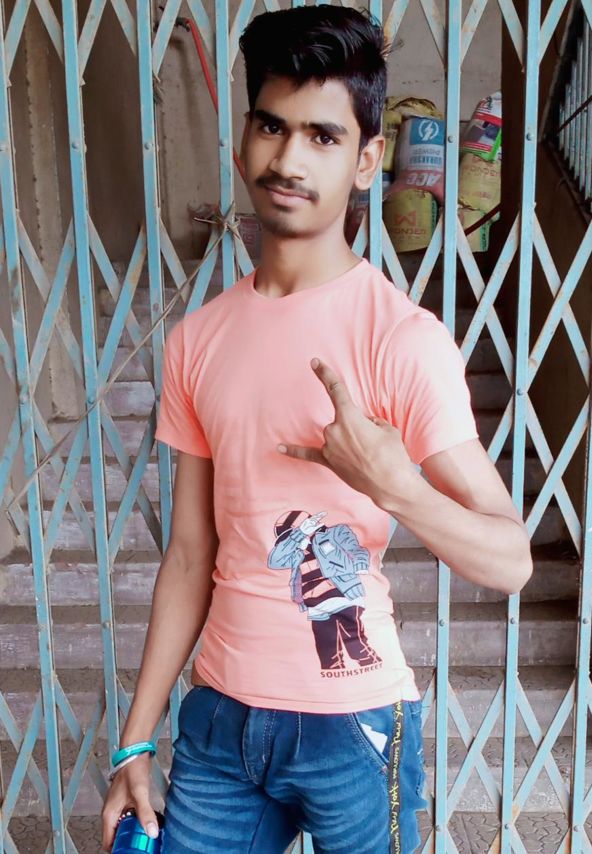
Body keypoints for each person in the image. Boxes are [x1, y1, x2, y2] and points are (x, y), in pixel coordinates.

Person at [101, 6, 532, 852]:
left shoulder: (402, 340)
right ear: (243, 142)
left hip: (357, 728)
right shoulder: (197, 342)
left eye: (323, 137)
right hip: (221, 722)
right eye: (272, 126)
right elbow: (189, 553)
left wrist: (395, 486)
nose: (290, 160)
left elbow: (511, 559)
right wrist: (135, 740)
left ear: (367, 160)